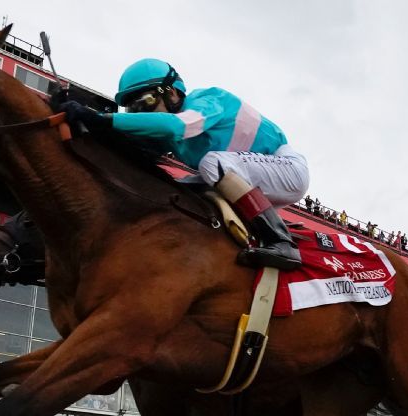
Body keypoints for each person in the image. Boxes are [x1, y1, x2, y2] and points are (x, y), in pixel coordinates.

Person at [59, 58, 309, 270]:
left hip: (288, 168)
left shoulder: (207, 100)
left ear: (171, 91)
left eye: (143, 103)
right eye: (132, 109)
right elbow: (130, 146)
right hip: (248, 175)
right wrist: (84, 122)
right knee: (177, 189)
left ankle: (281, 242)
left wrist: (101, 118)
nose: (139, 114)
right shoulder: (172, 135)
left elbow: (174, 125)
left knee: (211, 162)